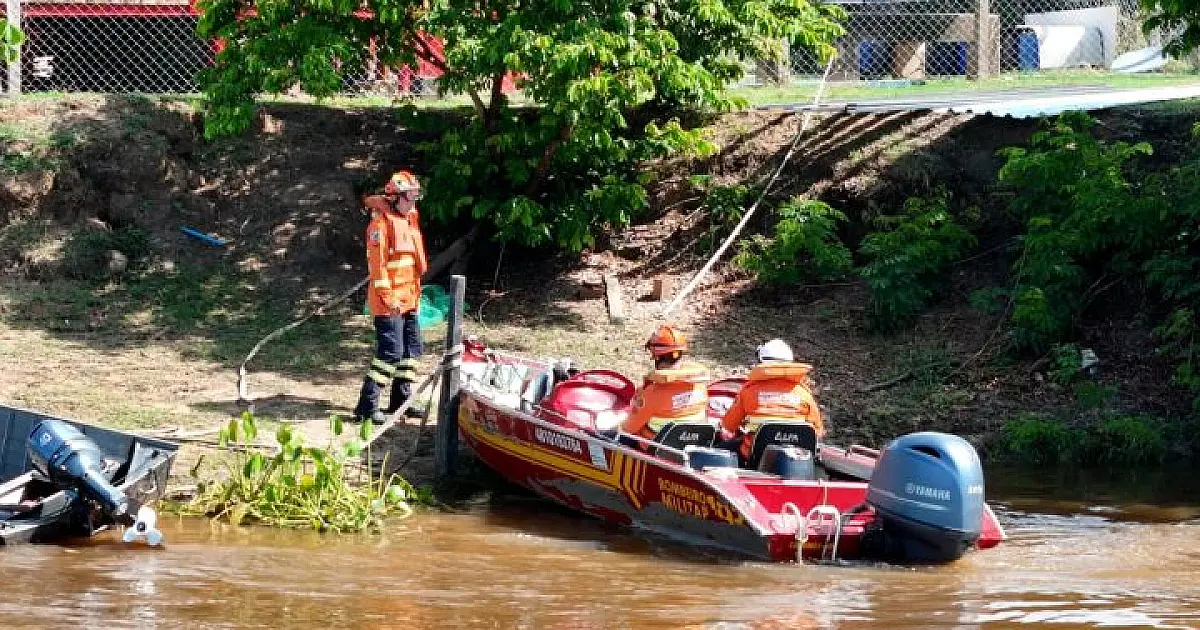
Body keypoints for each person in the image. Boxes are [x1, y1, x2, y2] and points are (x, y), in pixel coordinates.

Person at [353, 170, 429, 424]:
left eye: (415, 195)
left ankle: (402, 401)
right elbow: (378, 269)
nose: (413, 200)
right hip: (389, 303)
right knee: (390, 353)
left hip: (409, 300)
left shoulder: (410, 220)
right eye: (409, 195)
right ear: (395, 197)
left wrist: (413, 298)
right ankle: (367, 405)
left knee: (411, 352)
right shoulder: (379, 226)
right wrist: (389, 299)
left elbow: (411, 266)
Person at [719, 339, 824, 462]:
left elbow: (728, 426)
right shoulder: (803, 393)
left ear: (760, 362)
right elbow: (817, 431)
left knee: (719, 448)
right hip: (795, 460)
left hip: (753, 456)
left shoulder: (749, 391)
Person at [621, 325, 710, 447]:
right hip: (690, 448)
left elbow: (628, 429)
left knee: (614, 436)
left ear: (656, 356)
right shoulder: (700, 386)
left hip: (655, 451)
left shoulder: (651, 392)